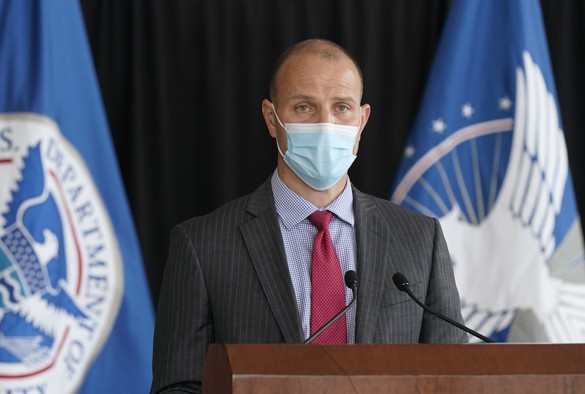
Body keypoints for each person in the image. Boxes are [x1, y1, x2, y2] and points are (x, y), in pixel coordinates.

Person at [151, 38, 466, 393]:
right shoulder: (202, 244)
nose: (325, 124)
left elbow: (452, 379)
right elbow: (178, 387)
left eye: (342, 108)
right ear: (272, 119)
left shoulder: (420, 239)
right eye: (304, 108)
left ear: (362, 120)